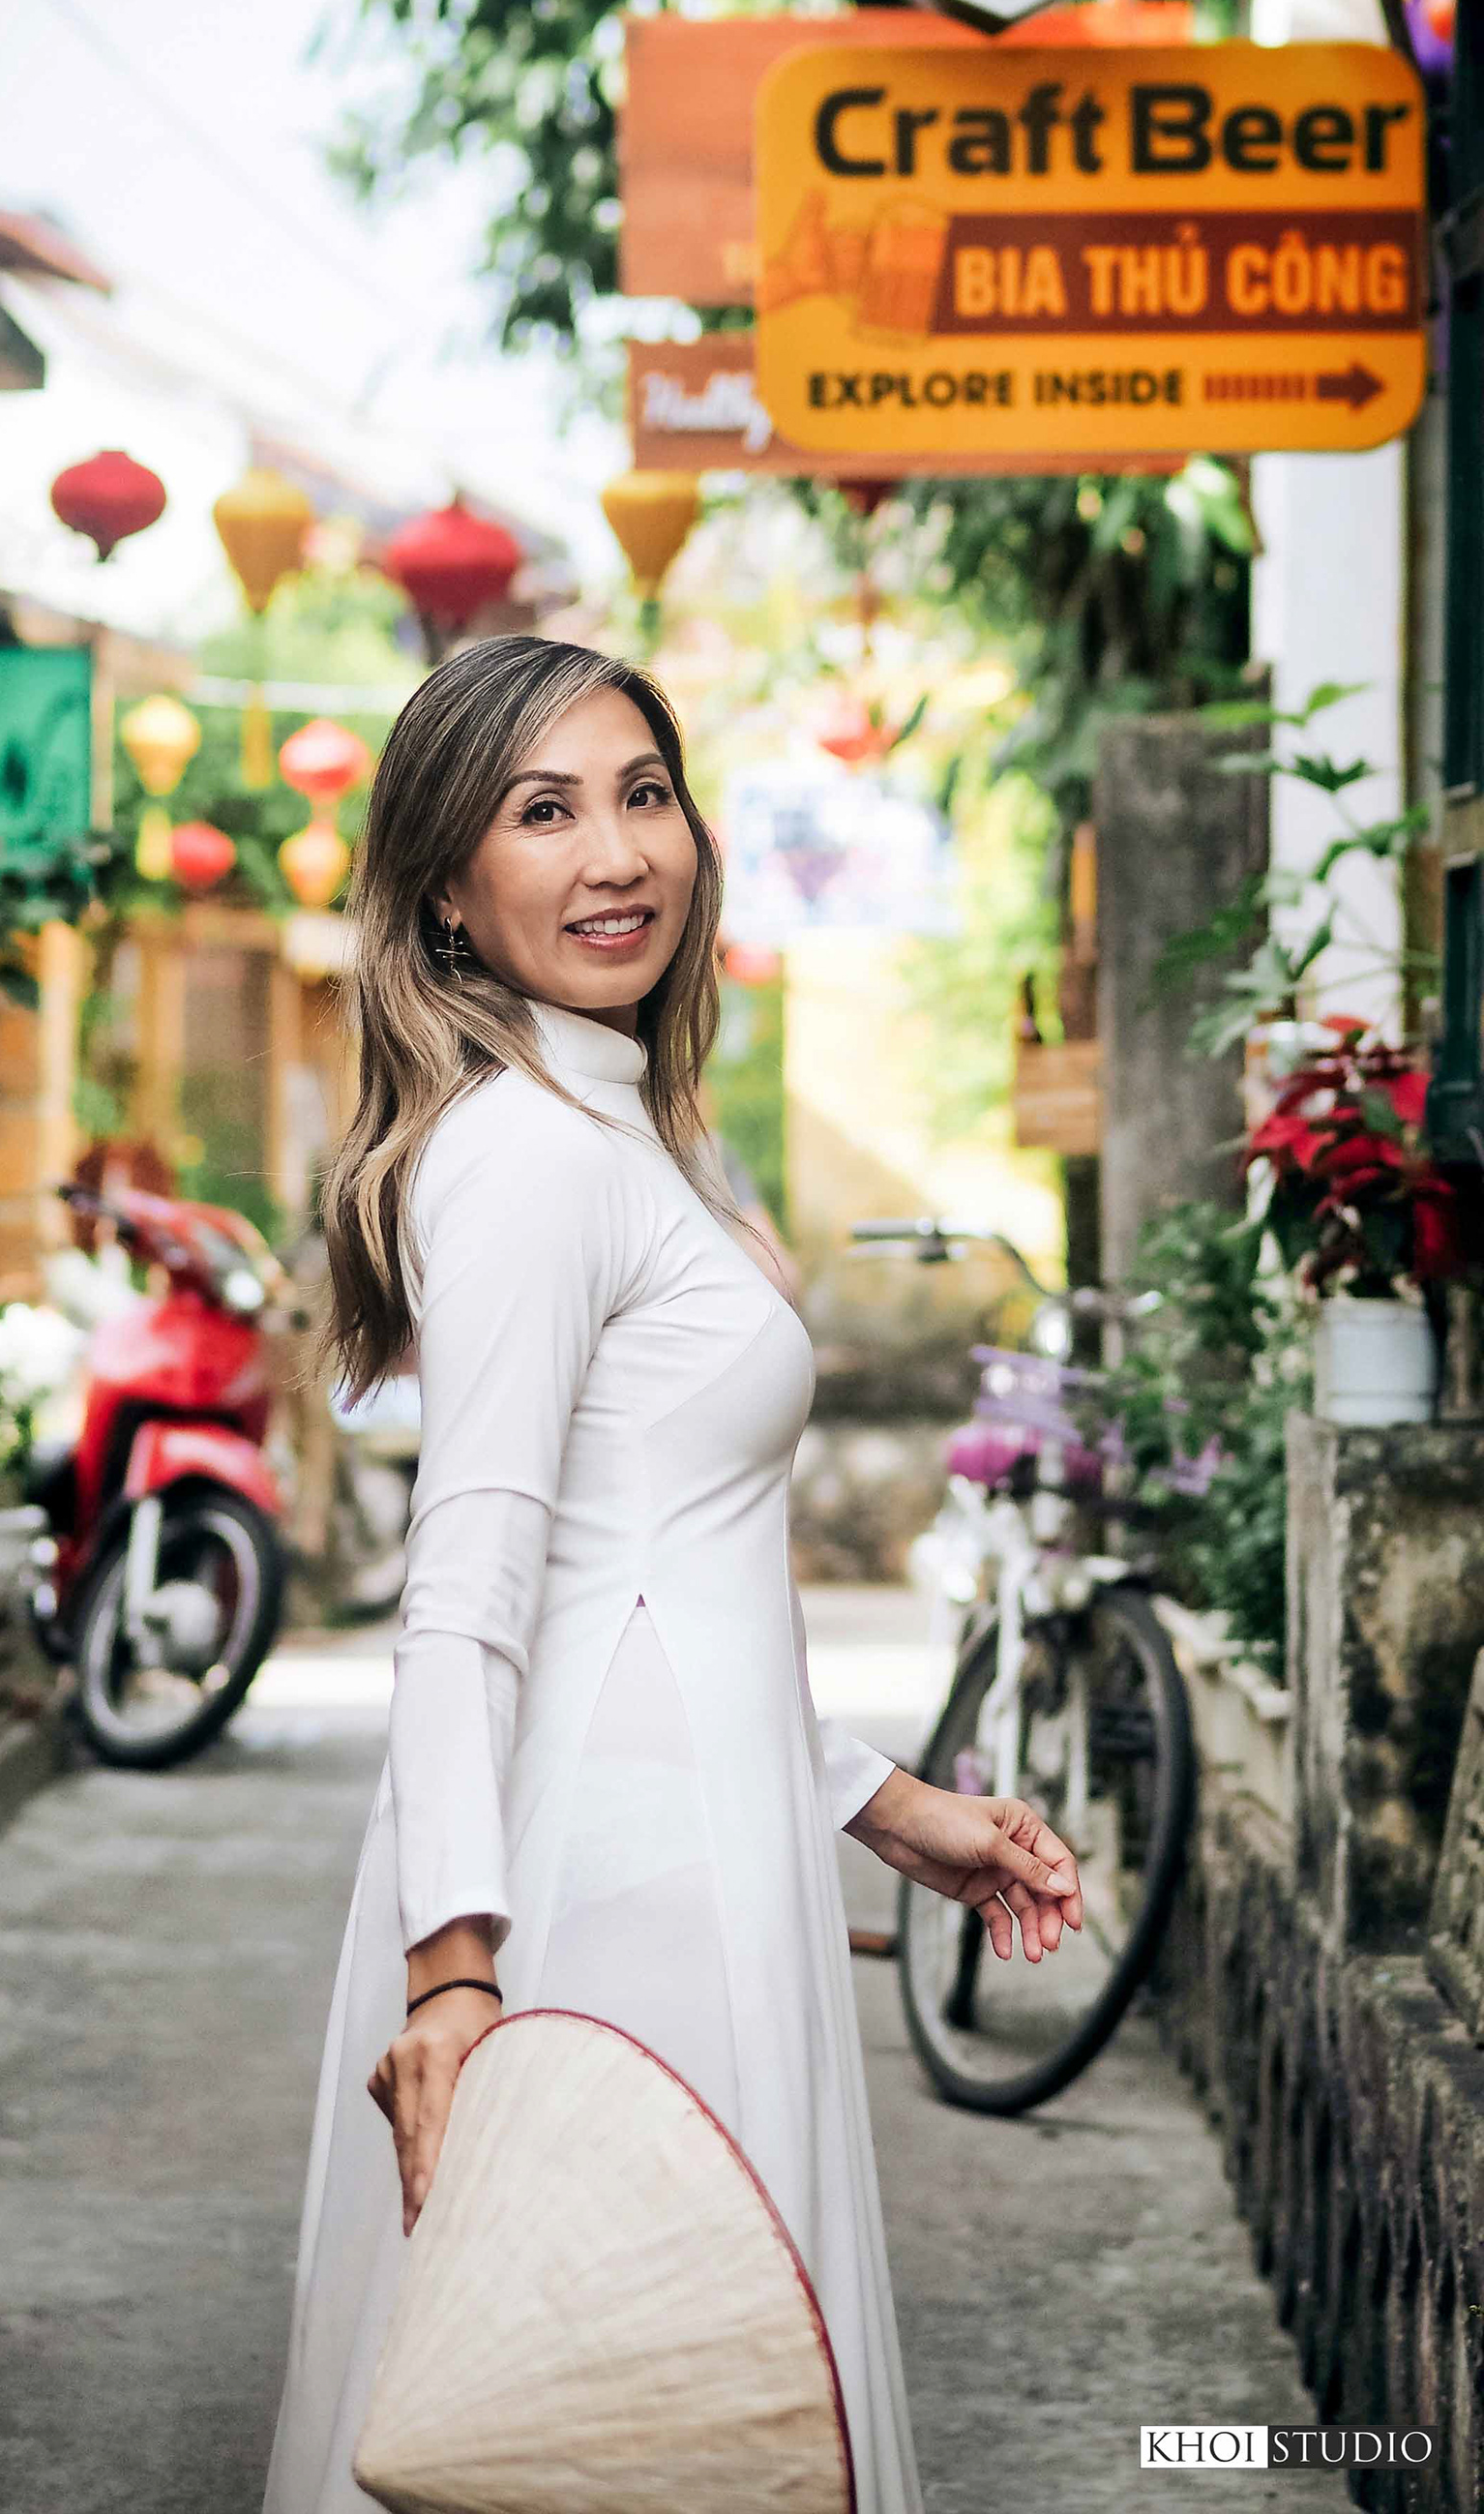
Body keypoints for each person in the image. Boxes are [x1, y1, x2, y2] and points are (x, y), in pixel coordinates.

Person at [260, 635, 1083, 2514]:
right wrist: (456, 1972)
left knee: (660, 2411)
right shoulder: (532, 1160)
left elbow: (642, 1588)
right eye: (541, 812)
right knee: (622, 2421)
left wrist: (883, 1806)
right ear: (449, 897)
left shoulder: (620, 1120)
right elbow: (465, 1601)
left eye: (643, 791)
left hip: (692, 1844)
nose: (616, 851)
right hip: (607, 1907)